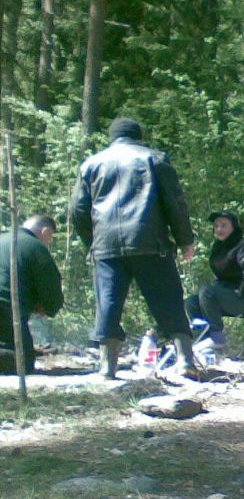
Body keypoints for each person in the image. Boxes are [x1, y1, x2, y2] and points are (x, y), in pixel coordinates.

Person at [69, 116, 198, 379]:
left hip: (107, 246)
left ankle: (108, 367)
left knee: (108, 303)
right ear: (138, 136)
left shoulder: (91, 164)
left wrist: (91, 242)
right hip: (149, 242)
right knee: (168, 299)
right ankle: (185, 361)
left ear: (112, 136)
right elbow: (175, 203)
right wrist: (185, 239)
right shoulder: (155, 158)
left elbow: (77, 210)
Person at [185, 210, 244, 348]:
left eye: (224, 225)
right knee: (192, 302)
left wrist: (242, 291)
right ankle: (204, 340)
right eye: (216, 226)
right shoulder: (219, 249)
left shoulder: (243, 246)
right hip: (233, 296)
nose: (219, 229)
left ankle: (217, 337)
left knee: (207, 291)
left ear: (233, 227)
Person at [0, 215, 64, 373]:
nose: (49, 241)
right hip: (8, 312)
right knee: (23, 362)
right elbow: (51, 289)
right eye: (50, 237)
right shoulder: (35, 246)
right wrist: (48, 307)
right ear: (45, 231)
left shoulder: (2, 238)